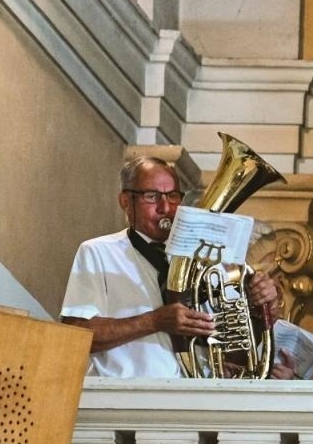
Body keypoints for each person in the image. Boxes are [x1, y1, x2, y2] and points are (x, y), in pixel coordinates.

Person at [60, 156, 281, 377]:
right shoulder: (98, 252)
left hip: (200, 398)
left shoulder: (211, 259)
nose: (165, 207)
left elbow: (238, 344)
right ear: (126, 202)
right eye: (151, 196)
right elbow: (75, 335)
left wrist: (262, 306)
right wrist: (155, 321)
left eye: (172, 196)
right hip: (130, 399)